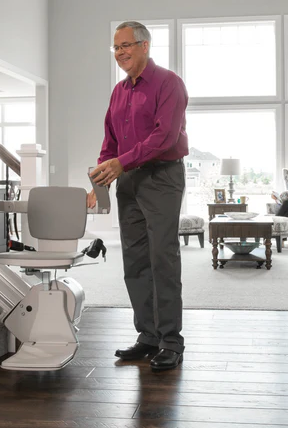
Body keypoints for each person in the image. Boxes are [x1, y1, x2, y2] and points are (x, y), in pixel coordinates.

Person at [86, 21, 188, 371]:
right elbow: (109, 143)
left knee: (162, 258)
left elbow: (166, 138)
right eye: (116, 48)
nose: (121, 53)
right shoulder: (118, 91)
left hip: (161, 177)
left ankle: (171, 341)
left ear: (145, 45)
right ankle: (147, 336)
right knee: (135, 262)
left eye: (127, 45)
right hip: (128, 180)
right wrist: (99, 182)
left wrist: (119, 163)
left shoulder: (169, 83)